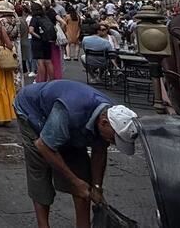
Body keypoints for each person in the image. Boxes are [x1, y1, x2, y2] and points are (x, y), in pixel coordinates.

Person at [14, 81, 139, 228]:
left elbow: (100, 150)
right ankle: (43, 225)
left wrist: (97, 187)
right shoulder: (70, 111)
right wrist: (75, 182)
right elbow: (44, 146)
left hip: (72, 124)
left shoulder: (110, 114)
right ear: (104, 123)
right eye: (113, 139)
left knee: (83, 180)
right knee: (40, 170)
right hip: (32, 110)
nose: (112, 143)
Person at [28, 3, 55, 82]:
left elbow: (31, 31)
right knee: (48, 61)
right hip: (47, 41)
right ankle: (52, 80)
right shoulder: (45, 17)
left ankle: (42, 81)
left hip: (37, 42)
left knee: (40, 62)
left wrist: (39, 36)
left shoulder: (34, 19)